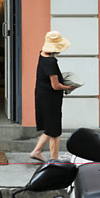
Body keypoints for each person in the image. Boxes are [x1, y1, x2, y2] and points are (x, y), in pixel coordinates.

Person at [31, 30, 75, 163]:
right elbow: (55, 86)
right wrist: (69, 87)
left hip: (42, 95)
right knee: (55, 131)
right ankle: (54, 160)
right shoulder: (50, 62)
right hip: (50, 99)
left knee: (50, 127)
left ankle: (36, 151)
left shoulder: (42, 55)